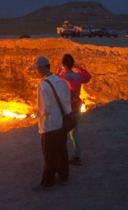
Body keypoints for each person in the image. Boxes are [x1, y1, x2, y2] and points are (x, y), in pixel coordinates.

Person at [28, 55, 72, 192]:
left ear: (42, 68)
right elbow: (67, 103)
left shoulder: (43, 86)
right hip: (62, 123)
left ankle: (48, 182)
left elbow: (44, 109)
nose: (35, 72)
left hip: (50, 125)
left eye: (36, 69)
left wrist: (36, 115)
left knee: (49, 155)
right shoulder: (62, 81)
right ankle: (64, 176)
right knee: (62, 151)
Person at [56, 54, 91, 166]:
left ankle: (62, 157)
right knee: (74, 134)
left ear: (63, 64)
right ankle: (77, 156)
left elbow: (54, 80)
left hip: (64, 110)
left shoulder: (60, 77)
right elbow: (88, 76)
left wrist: (58, 71)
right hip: (76, 108)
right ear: (72, 64)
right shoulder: (78, 76)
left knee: (62, 134)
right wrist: (78, 67)